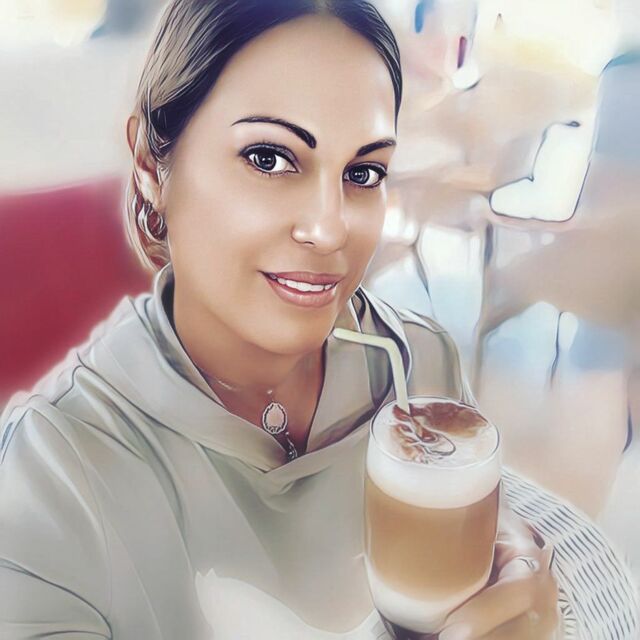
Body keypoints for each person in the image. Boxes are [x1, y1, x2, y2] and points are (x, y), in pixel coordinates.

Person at [0, 1, 636, 639]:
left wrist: (518, 581)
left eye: (364, 172)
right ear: (150, 167)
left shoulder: (419, 361)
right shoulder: (55, 473)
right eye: (269, 158)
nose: (331, 228)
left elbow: (484, 551)